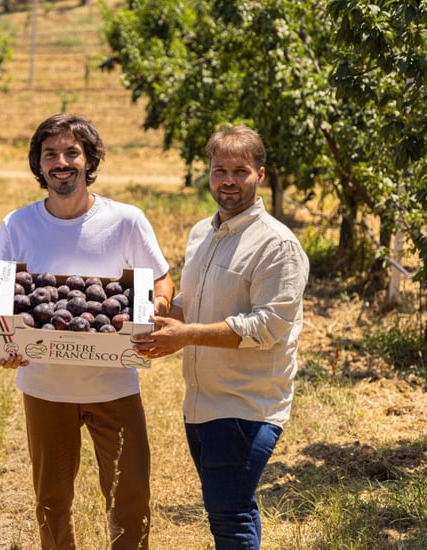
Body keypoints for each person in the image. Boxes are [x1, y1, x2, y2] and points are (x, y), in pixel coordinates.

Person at [0, 113, 175, 549]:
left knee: (130, 495)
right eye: (51, 154)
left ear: (89, 160)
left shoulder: (125, 220)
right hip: (45, 387)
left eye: (72, 152)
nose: (61, 162)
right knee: (51, 502)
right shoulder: (18, 224)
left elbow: (161, 279)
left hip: (114, 384)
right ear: (39, 164)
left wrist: (155, 308)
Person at [133, 125, 309, 549]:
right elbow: (191, 303)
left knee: (229, 515)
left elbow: (267, 326)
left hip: (246, 404)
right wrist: (156, 315)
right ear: (208, 174)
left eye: (240, 171)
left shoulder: (276, 245)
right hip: (202, 401)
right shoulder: (201, 234)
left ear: (260, 175)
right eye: (219, 170)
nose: (228, 180)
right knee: (231, 509)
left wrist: (186, 335)